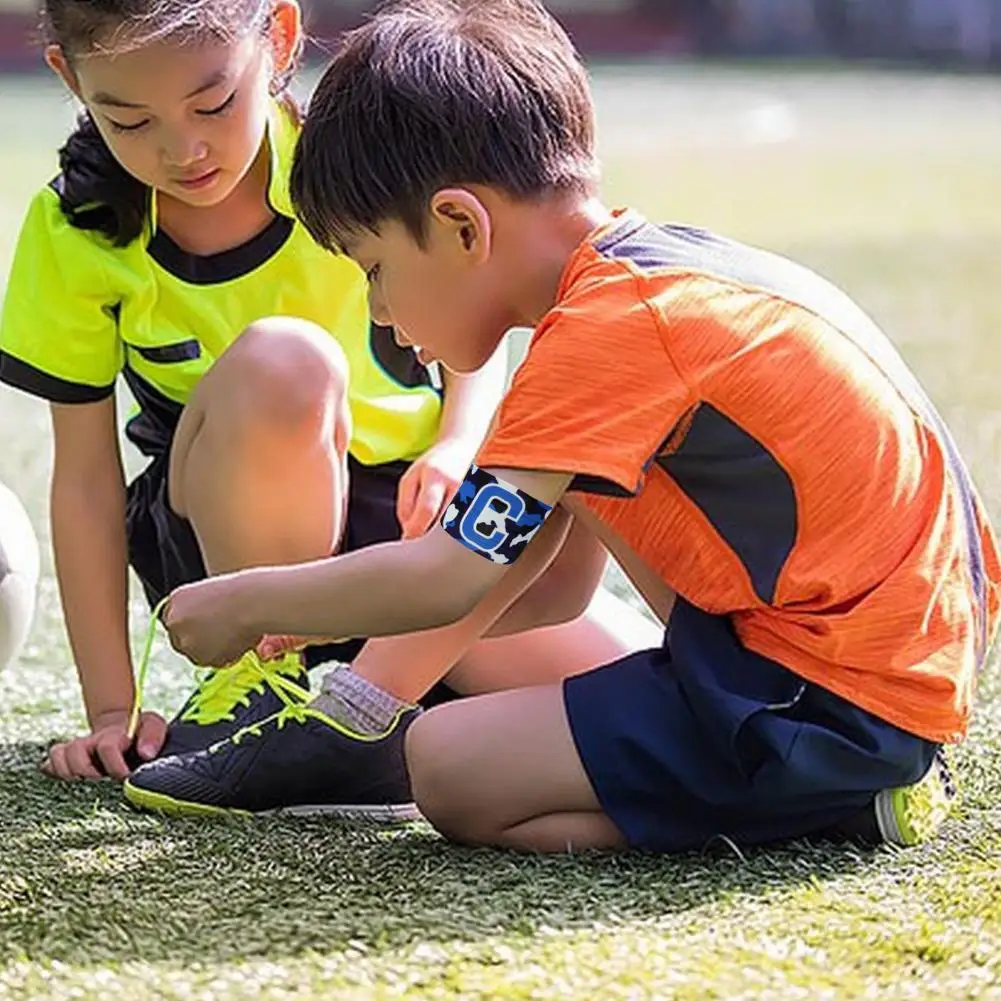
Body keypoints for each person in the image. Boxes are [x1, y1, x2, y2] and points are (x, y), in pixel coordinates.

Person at [125, 0, 999, 854]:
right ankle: (349, 723)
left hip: (825, 697)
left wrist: (250, 600)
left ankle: (837, 804)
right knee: (474, 690)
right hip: (875, 670)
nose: (383, 315)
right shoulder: (641, 279)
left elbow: (450, 575)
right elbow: (551, 588)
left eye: (376, 270)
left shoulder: (609, 333)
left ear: (460, 224)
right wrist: (343, 644)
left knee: (449, 766)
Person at [1, 0, 637, 784]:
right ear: (69, 78)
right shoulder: (77, 228)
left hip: (411, 540)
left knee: (640, 697)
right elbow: (87, 481)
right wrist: (111, 713)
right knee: (285, 362)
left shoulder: (343, 164)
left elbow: (474, 309)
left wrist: (453, 446)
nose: (183, 147)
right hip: (226, 548)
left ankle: (376, 695)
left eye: (214, 102)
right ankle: (256, 689)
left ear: (278, 37)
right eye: (129, 122)